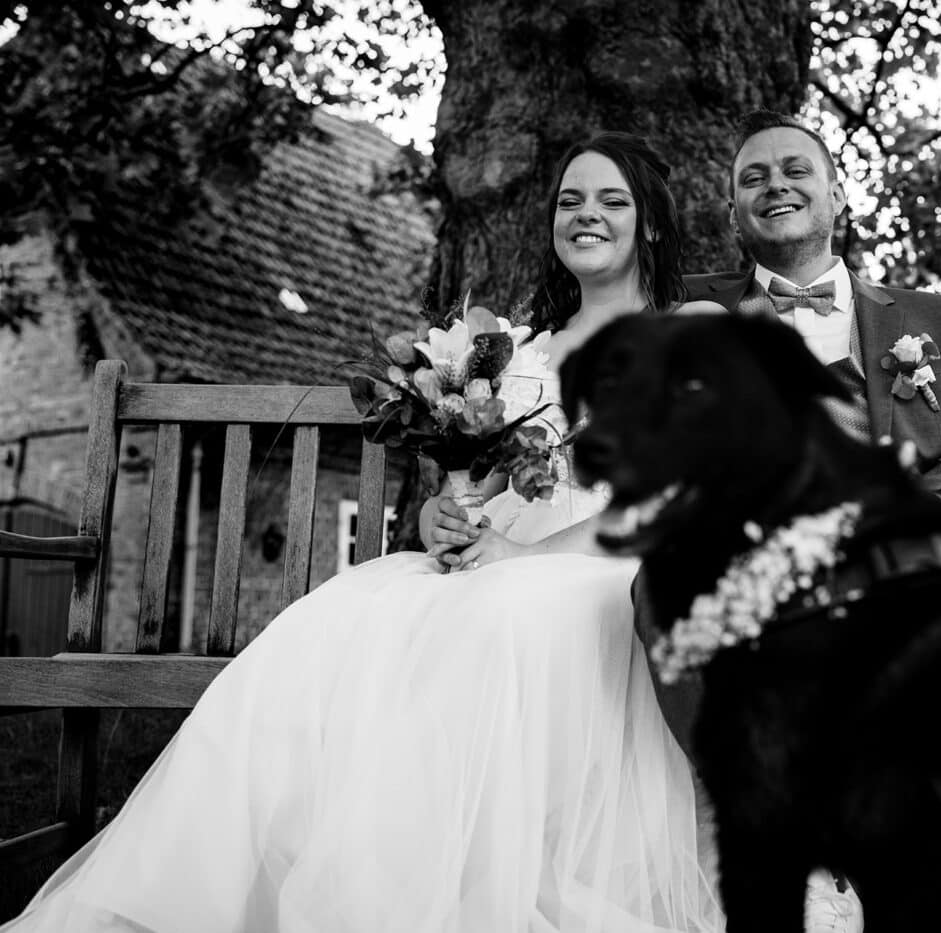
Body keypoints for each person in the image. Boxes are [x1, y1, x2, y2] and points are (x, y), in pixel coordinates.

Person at [3, 132, 723, 933]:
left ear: (650, 224)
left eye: (611, 200)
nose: (586, 215)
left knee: (501, 617)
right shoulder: (521, 351)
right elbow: (477, 479)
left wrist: (525, 554)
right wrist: (440, 518)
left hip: (606, 567)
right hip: (498, 561)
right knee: (342, 613)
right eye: (569, 201)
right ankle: (259, 883)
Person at [687, 109, 941, 645]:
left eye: (796, 170)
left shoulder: (940, 320)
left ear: (836, 196)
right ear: (734, 213)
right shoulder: (685, 304)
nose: (776, 185)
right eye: (754, 178)